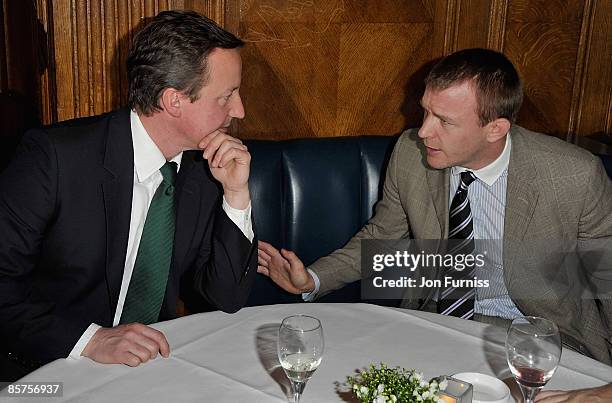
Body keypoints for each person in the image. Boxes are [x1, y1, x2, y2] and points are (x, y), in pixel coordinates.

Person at [258, 48, 612, 364]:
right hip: (436, 326)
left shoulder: (573, 175)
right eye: (425, 112)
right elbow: (384, 237)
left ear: (495, 128)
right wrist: (313, 279)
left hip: (543, 343)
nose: (424, 131)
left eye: (444, 121)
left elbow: (607, 278)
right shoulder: (412, 155)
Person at [0, 10, 257, 380]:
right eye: (227, 96)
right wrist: (90, 341)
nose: (240, 110)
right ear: (174, 101)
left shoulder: (205, 171)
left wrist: (236, 194)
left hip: (150, 372)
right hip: (44, 371)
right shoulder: (54, 159)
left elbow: (226, 298)